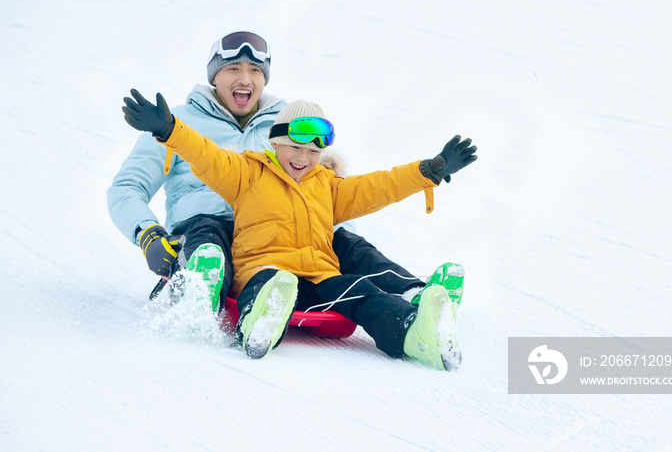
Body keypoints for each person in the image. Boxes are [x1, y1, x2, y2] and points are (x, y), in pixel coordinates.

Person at [107, 31, 464, 313]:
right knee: (209, 233)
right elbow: (126, 187)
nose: (244, 78)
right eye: (233, 69)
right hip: (204, 226)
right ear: (215, 76)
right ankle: (199, 291)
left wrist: (329, 235)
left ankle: (416, 294)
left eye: (255, 71)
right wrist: (148, 234)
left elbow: (323, 191)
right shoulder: (175, 124)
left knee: (346, 242)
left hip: (278, 233)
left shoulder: (287, 125)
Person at [121, 93, 478, 370]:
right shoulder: (247, 173)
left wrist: (426, 171)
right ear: (274, 142)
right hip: (264, 270)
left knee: (362, 292)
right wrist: (169, 130)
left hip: (318, 277)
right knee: (271, 286)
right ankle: (257, 327)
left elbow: (379, 186)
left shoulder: (328, 185)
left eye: (311, 152)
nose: (302, 158)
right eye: (294, 147)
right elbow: (206, 155)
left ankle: (414, 333)